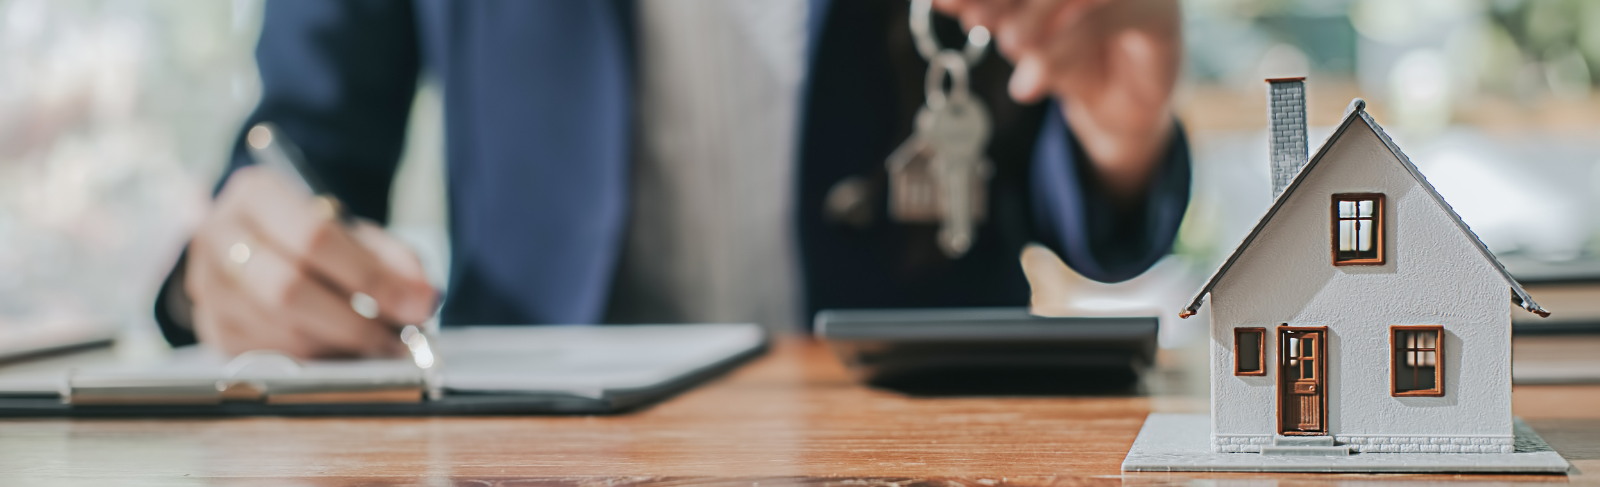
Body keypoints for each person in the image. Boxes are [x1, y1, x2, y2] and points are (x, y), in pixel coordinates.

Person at [155, 0, 1190, 358]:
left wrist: (1122, 130)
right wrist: (245, 258)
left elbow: (1077, 213)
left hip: (921, 427)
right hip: (534, 437)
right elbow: (300, 150)